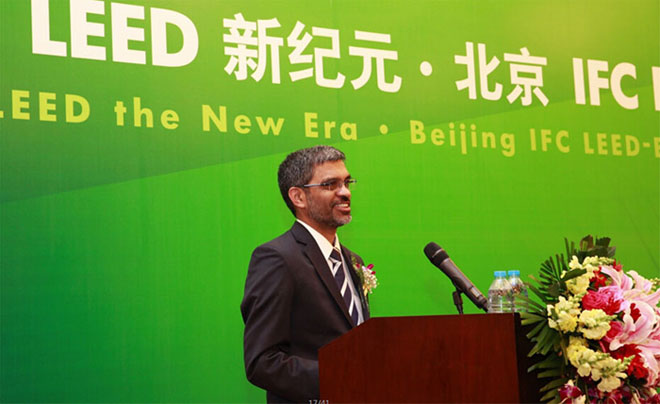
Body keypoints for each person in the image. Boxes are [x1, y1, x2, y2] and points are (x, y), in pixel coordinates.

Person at [241, 145, 371, 403]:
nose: (345, 192)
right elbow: (262, 361)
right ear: (298, 197)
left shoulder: (354, 261)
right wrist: (342, 375)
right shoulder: (277, 258)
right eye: (330, 184)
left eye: (346, 182)